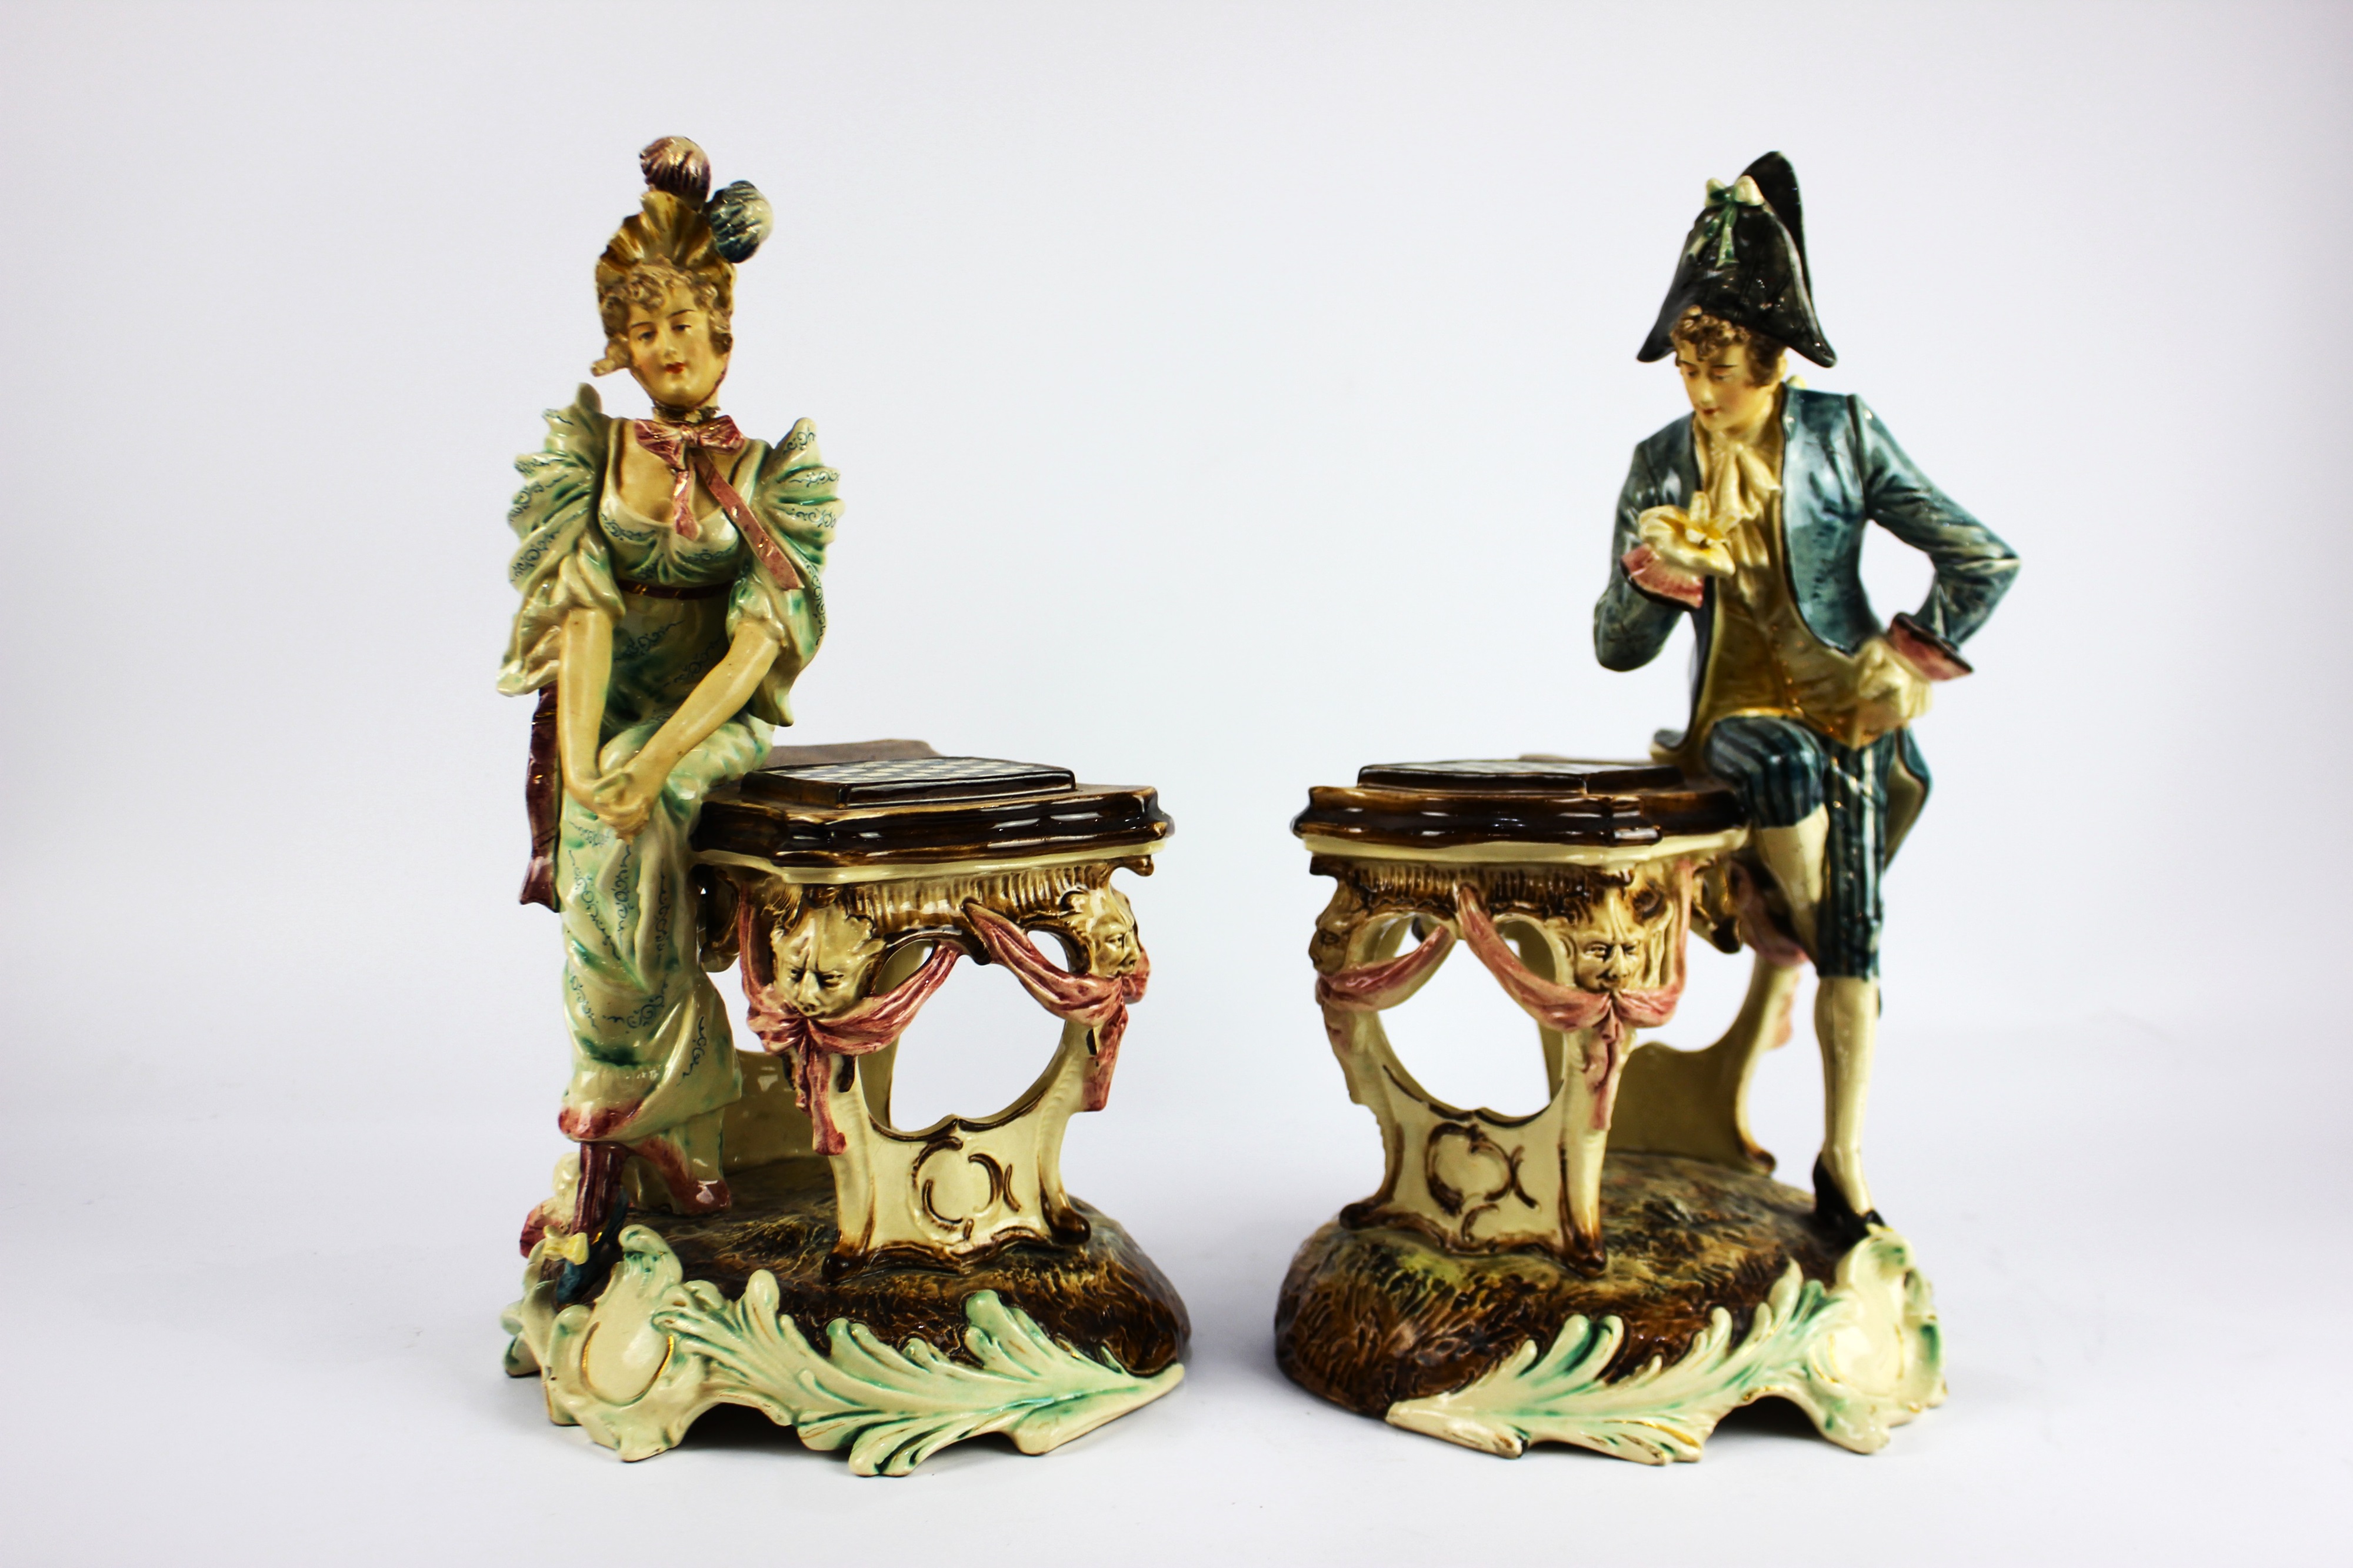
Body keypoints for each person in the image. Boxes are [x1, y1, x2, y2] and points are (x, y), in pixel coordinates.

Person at [1592, 152, 2018, 1236]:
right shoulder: (1661, 466)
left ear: (1773, 358)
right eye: (1688, 364)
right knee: (1787, 784)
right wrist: (1651, 580)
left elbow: (1983, 558)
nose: (1703, 391)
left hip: (1855, 719)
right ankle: (1794, 919)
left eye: (1723, 366)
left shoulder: (1842, 435)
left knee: (1859, 941)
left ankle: (1845, 1161)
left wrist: (1910, 658)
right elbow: (1615, 646)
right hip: (1735, 728)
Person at [496, 138, 835, 1287]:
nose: (667, 347)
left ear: (723, 331)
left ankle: (663, 1111)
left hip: (712, 721)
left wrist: (655, 760)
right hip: (609, 715)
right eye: (643, 331)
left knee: (645, 817)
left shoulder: (773, 475)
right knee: (599, 832)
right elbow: (581, 620)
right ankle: (628, 1109)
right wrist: (591, 758)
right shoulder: (590, 457)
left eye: (684, 323)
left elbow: (755, 645)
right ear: (622, 348)